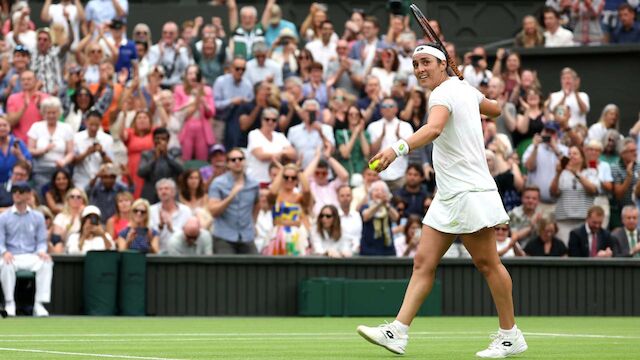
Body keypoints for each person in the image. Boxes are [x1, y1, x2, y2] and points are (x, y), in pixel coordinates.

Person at [358, 43, 527, 358]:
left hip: (469, 191)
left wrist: (397, 149)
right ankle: (398, 331)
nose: (420, 69)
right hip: (448, 194)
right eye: (415, 64)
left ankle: (510, 335)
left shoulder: (443, 94)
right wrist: (470, 89)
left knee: (488, 264)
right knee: (423, 263)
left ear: (442, 65)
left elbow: (434, 128)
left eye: (426, 62)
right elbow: (496, 108)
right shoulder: (461, 89)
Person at [0, 181, 52, 317]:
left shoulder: (38, 217)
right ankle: (9, 302)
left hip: (31, 256)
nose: (17, 194)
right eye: (15, 191)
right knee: (5, 264)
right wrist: (4, 252)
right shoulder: (3, 217)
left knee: (46, 262)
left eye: (21, 192)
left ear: (29, 195)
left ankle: (39, 304)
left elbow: (41, 241)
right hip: (11, 256)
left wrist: (42, 251)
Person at [208, 148, 260, 254]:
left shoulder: (254, 184)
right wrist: (231, 196)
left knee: (256, 267)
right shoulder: (218, 183)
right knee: (227, 269)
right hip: (224, 236)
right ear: (227, 164)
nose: (237, 162)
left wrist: (253, 223)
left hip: (247, 235)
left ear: (245, 161)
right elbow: (213, 211)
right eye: (233, 160)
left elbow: (257, 204)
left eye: (240, 159)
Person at [550, 145, 599, 244]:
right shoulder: (562, 174)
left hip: (583, 220)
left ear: (582, 157)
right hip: (563, 221)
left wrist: (575, 173)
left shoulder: (591, 172)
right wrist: (558, 173)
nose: (571, 156)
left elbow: (593, 190)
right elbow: (553, 192)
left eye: (575, 154)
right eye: (569, 154)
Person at [27, 97, 74, 193]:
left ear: (59, 113)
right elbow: (30, 150)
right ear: (43, 113)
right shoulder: (36, 127)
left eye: (54, 112)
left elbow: (71, 152)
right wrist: (43, 150)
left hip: (60, 169)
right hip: (41, 169)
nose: (51, 115)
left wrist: (64, 161)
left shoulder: (66, 128)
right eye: (48, 113)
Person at [367, 97, 414, 192]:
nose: (387, 108)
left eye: (391, 106)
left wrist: (399, 137)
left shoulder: (405, 126)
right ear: (380, 110)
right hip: (379, 175)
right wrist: (381, 137)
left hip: (400, 174)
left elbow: (411, 151)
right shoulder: (373, 126)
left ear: (396, 109)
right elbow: (371, 152)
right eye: (384, 106)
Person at [264, 163, 312, 256]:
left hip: (296, 236)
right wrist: (283, 170)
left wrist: (298, 171)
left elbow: (307, 191)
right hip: (278, 236)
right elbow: (272, 192)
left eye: (293, 178)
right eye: (286, 177)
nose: (289, 180)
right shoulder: (276, 197)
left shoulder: (299, 197)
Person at [246, 107, 296, 184]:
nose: (270, 122)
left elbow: (293, 154)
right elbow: (261, 156)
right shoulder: (254, 134)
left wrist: (278, 154)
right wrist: (282, 153)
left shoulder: (280, 136)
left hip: (276, 182)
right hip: (257, 180)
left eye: (274, 120)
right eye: (267, 119)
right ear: (262, 120)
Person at [72, 110, 114, 190]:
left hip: (100, 181)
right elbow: (73, 161)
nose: (93, 128)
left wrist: (102, 153)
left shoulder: (107, 139)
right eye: (91, 124)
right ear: (86, 122)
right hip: (81, 180)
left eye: (96, 125)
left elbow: (111, 163)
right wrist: (86, 153)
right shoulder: (76, 137)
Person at [306, 146, 349, 216]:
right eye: (317, 173)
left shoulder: (333, 185)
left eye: (323, 173)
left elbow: (345, 176)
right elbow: (304, 178)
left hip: (336, 218)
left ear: (328, 174)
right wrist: (317, 157)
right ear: (313, 174)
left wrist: (329, 158)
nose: (320, 176)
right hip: (318, 218)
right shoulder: (311, 185)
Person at [121, 111, 154, 199]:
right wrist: (123, 116)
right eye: (139, 118)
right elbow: (121, 135)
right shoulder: (130, 133)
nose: (142, 120)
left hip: (148, 167)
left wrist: (159, 104)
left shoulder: (153, 132)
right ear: (135, 121)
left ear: (150, 121)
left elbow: (165, 124)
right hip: (132, 168)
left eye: (145, 118)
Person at [51, 187, 87, 252]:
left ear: (83, 200)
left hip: (84, 246)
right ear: (68, 200)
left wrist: (82, 216)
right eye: (72, 196)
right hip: (65, 248)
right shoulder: (60, 217)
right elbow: (59, 239)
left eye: (78, 197)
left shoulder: (87, 216)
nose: (75, 199)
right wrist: (71, 223)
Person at [0, 117, 31, 184]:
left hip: (17, 185)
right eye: (0, 126)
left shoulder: (18, 142)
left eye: (5, 125)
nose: (2, 128)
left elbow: (29, 166)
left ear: (9, 127)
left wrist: (19, 155)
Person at [336, 185, 362, 254]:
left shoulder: (358, 215)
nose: (345, 198)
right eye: (342, 196)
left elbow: (359, 235)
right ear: (337, 198)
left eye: (348, 195)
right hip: (339, 253)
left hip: (357, 253)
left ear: (352, 197)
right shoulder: (333, 216)